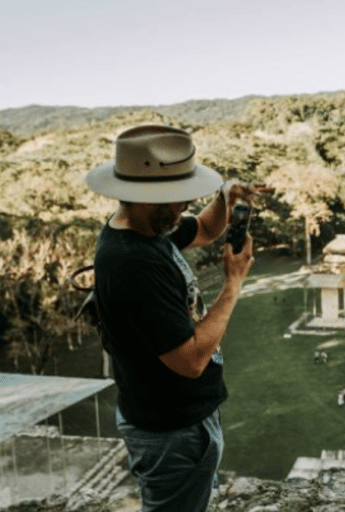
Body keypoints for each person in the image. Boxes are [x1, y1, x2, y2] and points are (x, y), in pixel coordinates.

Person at [86, 125, 264, 511]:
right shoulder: (135, 263)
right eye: (178, 198)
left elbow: (204, 228)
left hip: (180, 419)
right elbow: (191, 361)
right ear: (147, 198)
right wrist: (234, 283)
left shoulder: (147, 229)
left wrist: (226, 197)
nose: (185, 206)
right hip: (170, 430)